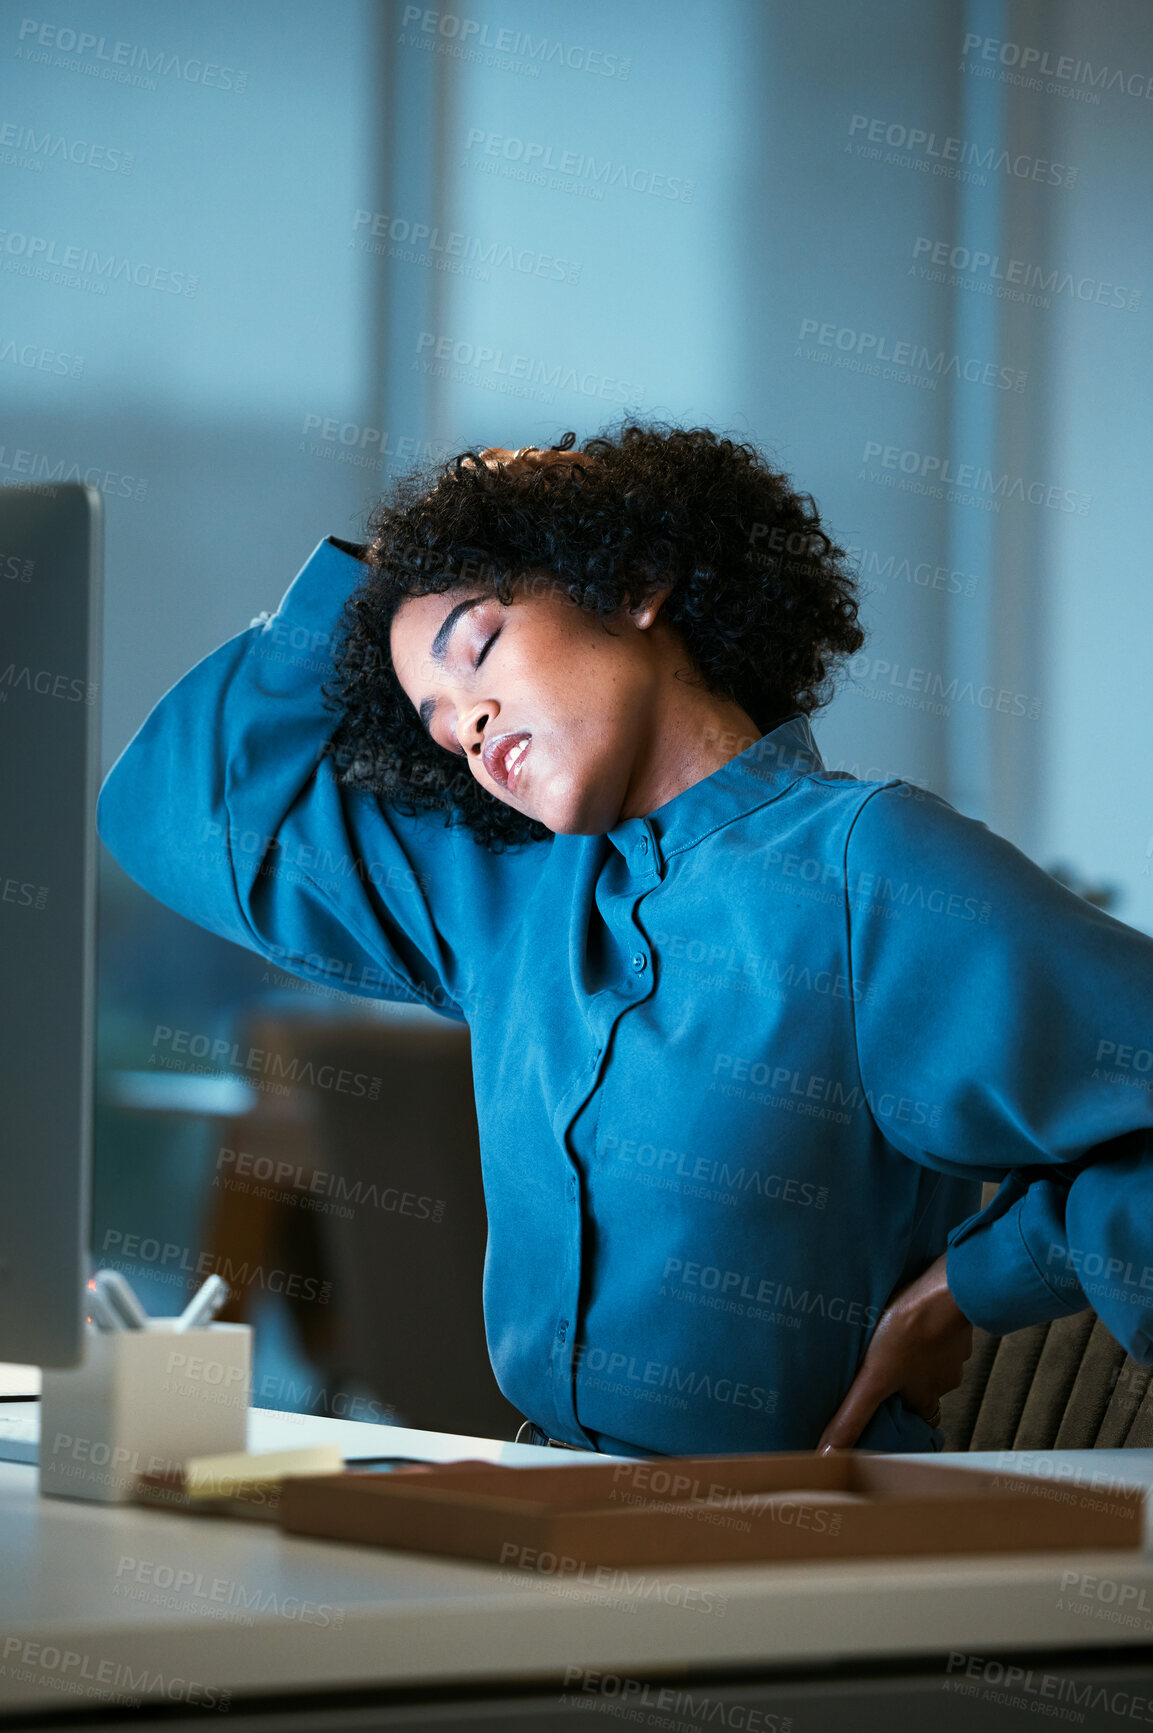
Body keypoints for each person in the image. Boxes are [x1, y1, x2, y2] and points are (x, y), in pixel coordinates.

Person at [96, 422, 1153, 1459]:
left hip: (802, 1537)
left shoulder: (865, 866)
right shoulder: (502, 894)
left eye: (479, 646)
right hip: (548, 1497)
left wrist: (981, 1279)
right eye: (437, 720)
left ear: (630, 581)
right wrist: (376, 577)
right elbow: (171, 809)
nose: (467, 722)